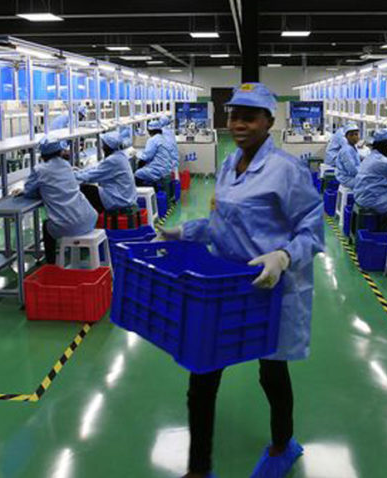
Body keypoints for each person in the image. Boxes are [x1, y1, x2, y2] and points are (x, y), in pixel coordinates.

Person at [159, 82, 324, 478]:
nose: (238, 124)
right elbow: (221, 223)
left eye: (249, 117)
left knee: (272, 372)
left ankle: (283, 445)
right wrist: (183, 232)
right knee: (202, 373)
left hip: (269, 287)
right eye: (234, 115)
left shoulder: (287, 170)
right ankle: (199, 468)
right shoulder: (230, 163)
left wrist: (283, 256)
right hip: (225, 286)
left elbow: (312, 230)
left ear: (269, 121)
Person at [15, 138, 98, 264]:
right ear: (60, 151)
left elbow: (29, 191)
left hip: (69, 225)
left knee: (47, 226)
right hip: (89, 218)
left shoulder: (40, 170)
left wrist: (37, 191)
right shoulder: (66, 165)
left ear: (42, 154)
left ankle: (51, 264)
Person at [75, 130, 137, 217]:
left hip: (119, 200)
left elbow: (92, 176)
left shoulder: (113, 160)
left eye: (103, 144)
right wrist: (79, 171)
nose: (102, 147)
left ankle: (92, 218)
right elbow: (97, 168)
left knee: (85, 189)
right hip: (125, 197)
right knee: (92, 190)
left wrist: (72, 176)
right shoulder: (119, 156)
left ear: (107, 146)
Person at [135, 119, 178, 186]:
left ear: (149, 131)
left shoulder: (153, 140)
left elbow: (146, 157)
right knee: (144, 170)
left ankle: (145, 190)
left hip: (159, 171)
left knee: (138, 173)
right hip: (167, 170)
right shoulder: (163, 138)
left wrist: (138, 163)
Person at [333, 123, 361, 189]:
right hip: (347, 178)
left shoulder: (352, 147)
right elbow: (352, 170)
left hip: (350, 176)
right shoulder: (346, 151)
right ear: (346, 137)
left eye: (356, 134)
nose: (354, 137)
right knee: (370, 184)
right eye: (351, 135)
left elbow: (356, 159)